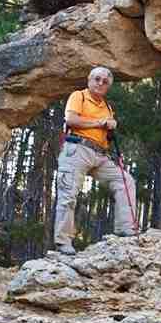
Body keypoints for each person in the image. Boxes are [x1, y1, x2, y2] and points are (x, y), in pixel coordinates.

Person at [53, 66, 138, 255]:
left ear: (108, 87)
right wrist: (99, 123)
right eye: (97, 79)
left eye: (105, 82)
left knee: (125, 181)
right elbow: (71, 120)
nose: (100, 83)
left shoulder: (107, 107)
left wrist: (110, 129)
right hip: (77, 149)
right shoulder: (79, 96)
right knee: (68, 195)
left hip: (100, 155)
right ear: (89, 80)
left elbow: (106, 134)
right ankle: (63, 242)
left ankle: (126, 230)